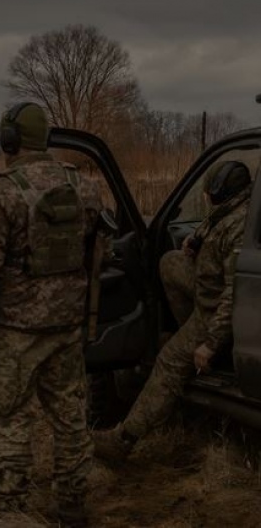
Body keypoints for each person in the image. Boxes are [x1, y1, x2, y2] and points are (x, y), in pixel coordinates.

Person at [0, 102, 103, 526]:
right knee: (70, 417)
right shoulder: (85, 188)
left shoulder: (0, 192)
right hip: (67, 326)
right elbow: (92, 253)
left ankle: (11, 511)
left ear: (9, 140)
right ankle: (72, 505)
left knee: (9, 416)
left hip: (16, 330)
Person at [94, 160, 252, 461]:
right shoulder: (230, 211)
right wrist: (194, 241)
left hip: (216, 310)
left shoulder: (240, 228)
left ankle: (123, 440)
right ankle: (188, 332)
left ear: (220, 191)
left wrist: (210, 342)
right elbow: (211, 226)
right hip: (208, 290)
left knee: (168, 361)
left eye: (210, 192)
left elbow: (234, 295)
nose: (207, 197)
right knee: (170, 262)